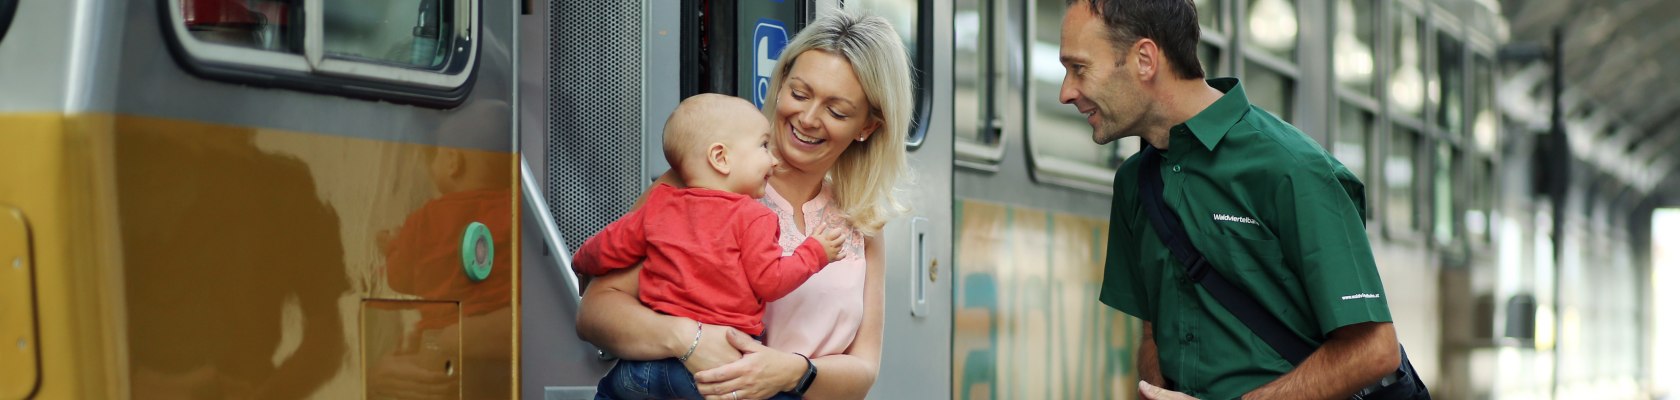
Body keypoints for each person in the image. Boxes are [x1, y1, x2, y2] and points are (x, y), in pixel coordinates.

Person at [1056, 0, 1410, 399]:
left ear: (1144, 59)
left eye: (1079, 68)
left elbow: (1374, 350)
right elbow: (1155, 334)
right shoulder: (1134, 183)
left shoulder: (1293, 169)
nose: (1065, 92)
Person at [576, 11, 913, 400]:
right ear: (781, 83)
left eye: (836, 111)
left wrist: (791, 371)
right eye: (799, 93)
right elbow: (595, 312)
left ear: (867, 128)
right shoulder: (706, 183)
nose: (807, 118)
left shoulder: (861, 219)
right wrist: (687, 339)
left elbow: (864, 370)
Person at [573, 94, 849, 400]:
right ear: (721, 158)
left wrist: (581, 264)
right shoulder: (754, 216)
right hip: (710, 372)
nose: (773, 159)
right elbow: (770, 282)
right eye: (763, 146)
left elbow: (607, 245)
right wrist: (816, 252)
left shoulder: (660, 205)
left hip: (642, 368)